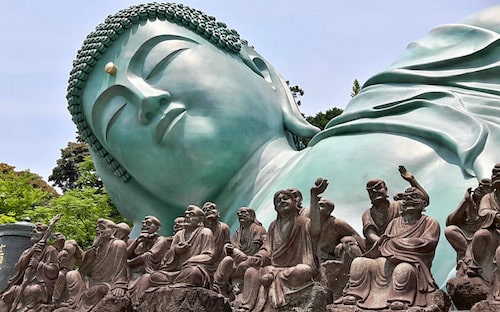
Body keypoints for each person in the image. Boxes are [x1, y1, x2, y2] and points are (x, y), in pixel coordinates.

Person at [67, 3, 500, 285]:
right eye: (115, 116)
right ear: (127, 181)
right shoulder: (167, 266)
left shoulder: (404, 97)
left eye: (163, 61)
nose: (146, 100)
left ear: (263, 73)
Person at [336, 187, 441, 310]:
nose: (408, 201)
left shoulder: (429, 222)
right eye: (406, 199)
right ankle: (356, 294)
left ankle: (401, 297)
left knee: (403, 270)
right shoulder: (395, 223)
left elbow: (427, 244)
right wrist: (388, 245)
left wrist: (394, 244)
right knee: (360, 263)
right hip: (387, 259)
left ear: (423, 203)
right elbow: (384, 243)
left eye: (413, 198)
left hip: (411, 262)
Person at [233, 179, 326, 310]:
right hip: (273, 268)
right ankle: (247, 306)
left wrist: (314, 196)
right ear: (276, 208)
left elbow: (316, 229)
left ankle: (276, 289)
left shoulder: (303, 222)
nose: (282, 201)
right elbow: (267, 249)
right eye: (278, 201)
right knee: (251, 271)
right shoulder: (273, 226)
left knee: (303, 270)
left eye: (285, 198)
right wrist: (258, 257)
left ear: (294, 203)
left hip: (294, 268)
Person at [129, 205, 214, 308]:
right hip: (175, 271)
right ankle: (172, 284)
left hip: (191, 269)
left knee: (193, 273)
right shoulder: (179, 235)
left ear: (200, 219)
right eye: (186, 215)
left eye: (191, 215)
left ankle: (174, 283)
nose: (187, 217)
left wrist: (190, 262)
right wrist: (176, 250)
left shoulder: (205, 232)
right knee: (153, 276)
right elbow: (167, 258)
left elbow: (208, 255)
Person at [61, 219, 128, 311]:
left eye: (102, 228)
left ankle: (81, 305)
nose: (98, 230)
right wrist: (93, 248)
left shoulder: (118, 244)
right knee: (72, 274)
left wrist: (119, 285)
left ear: (113, 231)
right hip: (91, 280)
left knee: (100, 289)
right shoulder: (97, 247)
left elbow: (121, 269)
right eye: (97, 227)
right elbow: (83, 269)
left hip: (106, 282)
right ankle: (74, 301)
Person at [363, 166, 428, 251]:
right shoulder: (368, 213)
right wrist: (383, 243)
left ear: (386, 189)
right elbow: (370, 233)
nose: (375, 192)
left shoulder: (399, 205)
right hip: (380, 246)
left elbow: (424, 201)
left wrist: (412, 180)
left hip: (401, 242)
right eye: (371, 191)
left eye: (378, 188)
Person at [0, 222, 59, 312]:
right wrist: (31, 252)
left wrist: (39, 265)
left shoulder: (50, 250)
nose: (34, 231)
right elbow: (18, 267)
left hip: (40, 286)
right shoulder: (28, 251)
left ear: (45, 234)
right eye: (33, 230)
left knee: (32, 291)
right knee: (8, 294)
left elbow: (54, 270)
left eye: (38, 230)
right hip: (25, 283)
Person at [213, 207, 267, 298]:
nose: (240, 215)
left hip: (252, 258)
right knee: (226, 257)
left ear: (251, 215)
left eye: (243, 213)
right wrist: (230, 248)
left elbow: (264, 247)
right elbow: (234, 245)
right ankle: (219, 287)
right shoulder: (237, 232)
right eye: (238, 214)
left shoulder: (259, 229)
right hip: (238, 259)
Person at [462, 163, 500, 282]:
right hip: (495, 232)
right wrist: (496, 216)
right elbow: (483, 212)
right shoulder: (488, 197)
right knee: (481, 235)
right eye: (495, 173)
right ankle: (476, 267)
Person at [445, 178, 492, 270]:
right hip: (467, 237)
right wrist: (466, 202)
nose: (480, 188)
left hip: (484, 237)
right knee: (450, 230)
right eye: (480, 185)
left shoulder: (491, 202)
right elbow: (450, 221)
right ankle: (465, 256)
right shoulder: (469, 202)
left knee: (482, 234)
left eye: (485, 187)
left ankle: (473, 259)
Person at [201, 202, 230, 267]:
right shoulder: (201, 231)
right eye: (205, 210)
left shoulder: (224, 227)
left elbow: (227, 242)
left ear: (218, 213)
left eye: (211, 208)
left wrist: (227, 246)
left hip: (220, 256)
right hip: (205, 258)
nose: (208, 210)